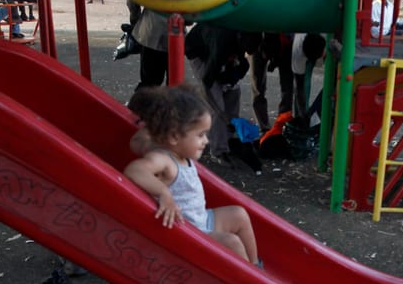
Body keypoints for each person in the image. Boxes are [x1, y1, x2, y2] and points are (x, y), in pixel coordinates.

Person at [123, 84, 260, 265]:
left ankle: (254, 266)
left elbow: (140, 140)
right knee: (231, 242)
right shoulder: (164, 160)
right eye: (201, 135)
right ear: (174, 137)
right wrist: (163, 193)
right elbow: (134, 170)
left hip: (201, 220)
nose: (206, 141)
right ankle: (250, 283)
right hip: (189, 233)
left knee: (239, 214)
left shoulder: (180, 154)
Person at [183, 22, 254, 161]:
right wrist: (216, 101)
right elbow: (207, 79)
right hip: (199, 52)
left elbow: (242, 67)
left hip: (218, 55)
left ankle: (229, 139)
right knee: (216, 107)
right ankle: (218, 150)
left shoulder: (243, 38)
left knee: (234, 93)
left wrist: (230, 82)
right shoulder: (222, 46)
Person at [247, 32, 294, 133]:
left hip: (283, 38)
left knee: (287, 87)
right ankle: (264, 126)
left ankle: (282, 123)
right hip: (259, 37)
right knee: (258, 86)